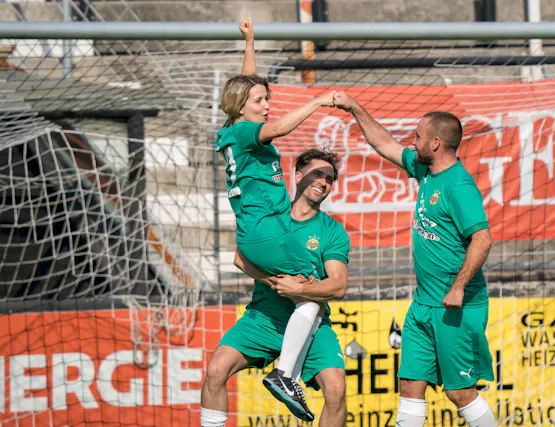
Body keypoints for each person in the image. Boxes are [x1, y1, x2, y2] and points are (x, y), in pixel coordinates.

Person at [333, 92, 496, 427]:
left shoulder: (459, 186)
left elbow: (483, 239)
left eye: (418, 137)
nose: (413, 141)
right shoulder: (426, 170)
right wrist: (354, 107)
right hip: (423, 304)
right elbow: (384, 143)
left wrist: (458, 287)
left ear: (436, 143)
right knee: (409, 385)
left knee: (460, 392)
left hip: (456, 307)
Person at [210, 18, 337, 420]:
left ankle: (286, 373)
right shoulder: (248, 132)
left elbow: (247, 85)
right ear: (243, 107)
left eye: (267, 98)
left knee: (305, 295)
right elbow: (279, 126)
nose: (267, 105)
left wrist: (250, 42)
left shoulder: (231, 129)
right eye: (260, 100)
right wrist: (319, 101)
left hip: (254, 234)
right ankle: (285, 374)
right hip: (269, 231)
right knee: (313, 294)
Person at [200, 148, 350, 427]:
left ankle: (287, 376)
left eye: (329, 179)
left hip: (312, 324)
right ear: (298, 176)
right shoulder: (271, 219)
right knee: (216, 370)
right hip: (264, 319)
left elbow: (338, 285)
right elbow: (240, 259)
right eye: (317, 174)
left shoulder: (332, 231)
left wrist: (299, 290)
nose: (323, 182)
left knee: (336, 391)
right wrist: (277, 283)